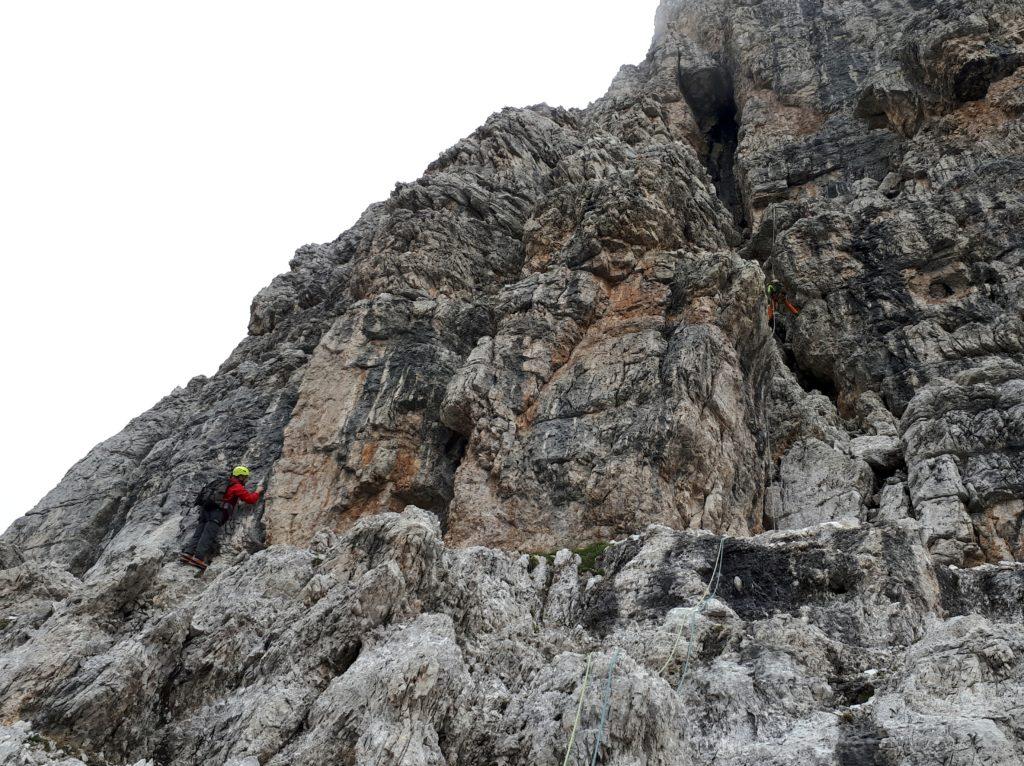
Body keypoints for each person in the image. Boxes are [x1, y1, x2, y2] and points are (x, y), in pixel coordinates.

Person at [180, 466, 262, 571]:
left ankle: (187, 553)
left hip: (205, 511)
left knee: (199, 533)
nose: (247, 480)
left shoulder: (222, 482)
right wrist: (258, 491)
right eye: (246, 477)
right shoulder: (236, 486)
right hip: (217, 513)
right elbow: (250, 499)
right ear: (240, 477)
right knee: (208, 535)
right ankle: (198, 558)